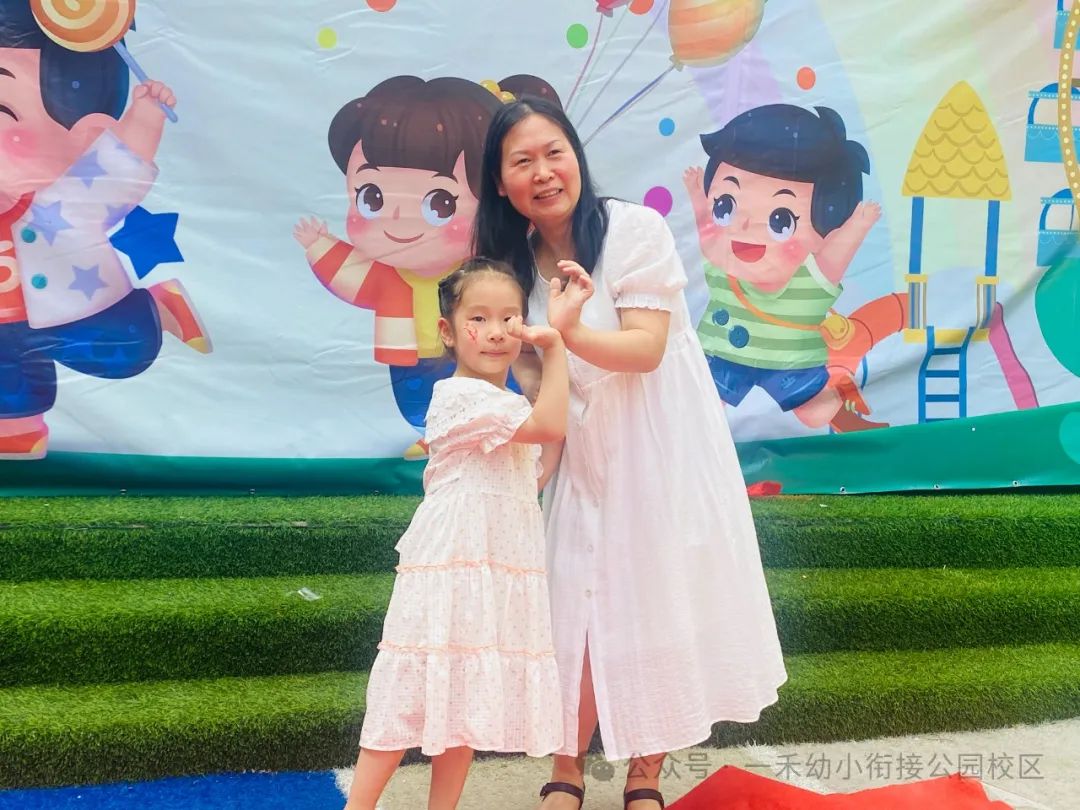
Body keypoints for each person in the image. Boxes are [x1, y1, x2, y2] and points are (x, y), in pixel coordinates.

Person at [472, 96, 788, 810]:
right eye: (522, 161)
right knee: (573, 609)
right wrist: (526, 475)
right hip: (585, 454)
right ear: (500, 182)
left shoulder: (633, 229)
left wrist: (568, 331)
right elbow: (539, 392)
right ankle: (566, 770)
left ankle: (645, 776)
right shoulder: (508, 272)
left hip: (661, 447)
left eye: (554, 153)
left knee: (660, 603)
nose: (543, 172)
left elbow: (645, 349)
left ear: (576, 157)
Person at [342, 257, 579, 810]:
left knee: (463, 702)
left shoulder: (507, 404)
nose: (495, 332)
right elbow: (550, 425)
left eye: (509, 318)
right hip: (452, 563)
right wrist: (556, 348)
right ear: (447, 332)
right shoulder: (460, 396)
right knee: (405, 695)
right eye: (478, 318)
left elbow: (535, 470)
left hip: (492, 565)